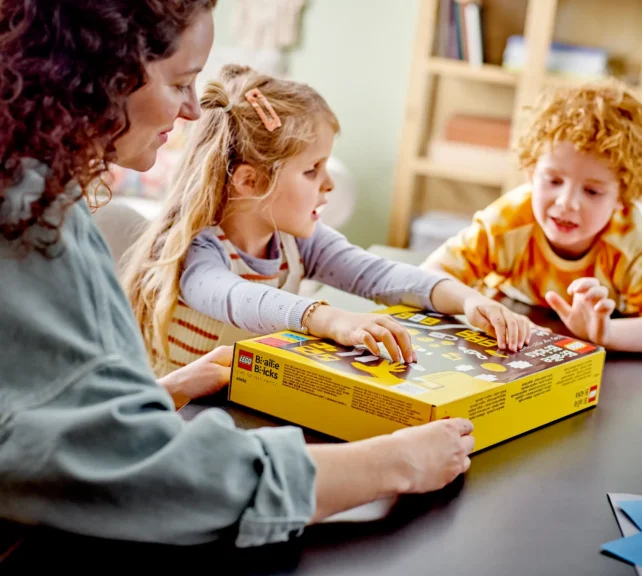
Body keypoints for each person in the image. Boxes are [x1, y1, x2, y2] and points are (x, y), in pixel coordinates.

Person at [0, 0, 475, 553]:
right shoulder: (28, 217)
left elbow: (38, 408)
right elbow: (156, 481)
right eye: (181, 83)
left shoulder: (42, 190)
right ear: (104, 75)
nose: (191, 112)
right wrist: (393, 462)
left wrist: (161, 392)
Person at [122, 65, 536, 380]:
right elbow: (240, 299)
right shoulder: (197, 251)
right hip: (179, 424)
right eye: (311, 170)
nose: (329, 183)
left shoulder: (296, 241)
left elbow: (379, 276)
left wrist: (470, 300)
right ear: (250, 181)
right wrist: (332, 319)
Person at [422, 82, 642, 354]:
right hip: (511, 345)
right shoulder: (508, 223)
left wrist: (606, 334)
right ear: (532, 172)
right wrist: (476, 302)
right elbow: (427, 276)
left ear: (621, 197)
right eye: (554, 180)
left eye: (593, 191)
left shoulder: (626, 245)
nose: (567, 203)